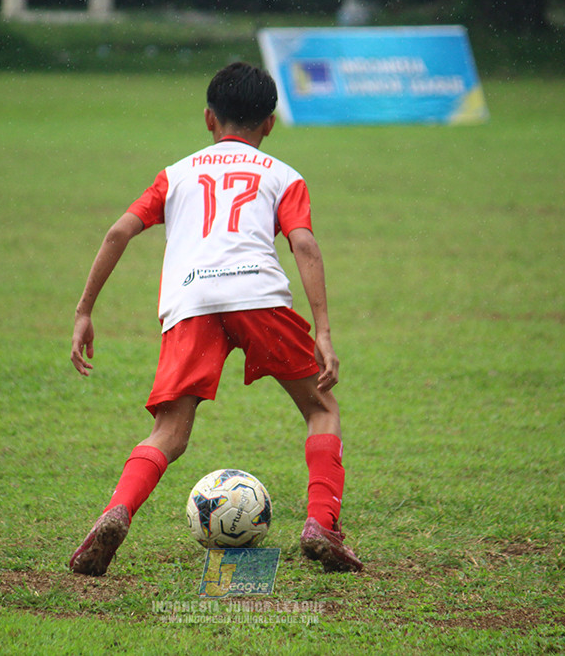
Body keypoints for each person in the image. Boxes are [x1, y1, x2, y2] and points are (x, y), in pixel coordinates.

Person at [68, 62, 363, 575]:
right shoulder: (284, 177)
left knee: (170, 431)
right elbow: (304, 243)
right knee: (322, 409)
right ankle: (321, 524)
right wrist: (324, 331)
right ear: (270, 123)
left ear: (209, 118)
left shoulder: (176, 173)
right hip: (260, 295)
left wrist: (85, 310)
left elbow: (118, 232)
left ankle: (117, 510)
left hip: (191, 302)